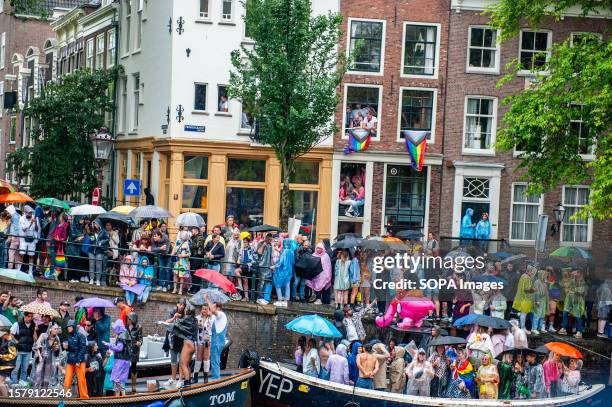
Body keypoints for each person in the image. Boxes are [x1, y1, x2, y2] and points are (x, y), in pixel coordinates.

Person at [162, 299, 187, 388]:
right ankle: (173, 379)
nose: (181, 306)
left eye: (183, 305)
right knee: (173, 360)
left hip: (181, 339)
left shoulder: (186, 313)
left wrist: (180, 318)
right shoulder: (173, 311)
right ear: (177, 304)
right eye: (180, 304)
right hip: (172, 338)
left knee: (181, 361)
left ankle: (180, 380)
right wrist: (174, 318)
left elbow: (186, 326)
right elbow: (167, 321)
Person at [172, 306, 197, 387]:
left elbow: (177, 324)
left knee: (183, 364)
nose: (184, 310)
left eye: (186, 310)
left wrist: (175, 317)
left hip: (187, 343)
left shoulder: (187, 318)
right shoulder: (194, 319)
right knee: (187, 365)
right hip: (193, 344)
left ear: (188, 311)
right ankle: (188, 382)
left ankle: (187, 384)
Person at [104, 319, 131, 395]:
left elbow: (119, 348)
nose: (114, 330)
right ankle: (122, 396)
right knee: (120, 379)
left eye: (115, 328)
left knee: (116, 378)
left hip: (120, 359)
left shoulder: (121, 336)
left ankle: (118, 397)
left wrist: (109, 344)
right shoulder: (126, 333)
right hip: (126, 359)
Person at [64, 319, 88, 398]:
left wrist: (79, 360)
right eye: (68, 327)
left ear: (73, 327)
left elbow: (83, 349)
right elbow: (70, 349)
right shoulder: (69, 336)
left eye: (70, 327)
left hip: (79, 361)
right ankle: (66, 396)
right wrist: (66, 348)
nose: (68, 328)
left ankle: (84, 397)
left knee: (81, 380)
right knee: (67, 379)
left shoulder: (81, 336)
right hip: (70, 360)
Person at [559, 270, 587, 339]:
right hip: (569, 299)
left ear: (579, 274)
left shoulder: (582, 282)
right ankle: (563, 328)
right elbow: (566, 287)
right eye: (573, 274)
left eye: (576, 273)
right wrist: (568, 289)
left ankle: (579, 331)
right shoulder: (571, 281)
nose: (574, 275)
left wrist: (573, 290)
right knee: (565, 312)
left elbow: (582, 291)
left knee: (577, 315)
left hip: (577, 301)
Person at [10, 312, 35, 385]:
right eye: (28, 316)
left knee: (25, 369)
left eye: (31, 317)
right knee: (16, 368)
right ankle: (14, 383)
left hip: (28, 350)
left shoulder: (33, 325)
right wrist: (16, 341)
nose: (30, 318)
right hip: (18, 350)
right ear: (24, 316)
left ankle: (22, 383)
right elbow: (11, 334)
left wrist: (35, 331)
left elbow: (34, 337)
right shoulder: (17, 324)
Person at [33, 323, 60, 388]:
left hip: (49, 359)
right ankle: (36, 393)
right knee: (38, 376)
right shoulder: (44, 335)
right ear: (50, 329)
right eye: (55, 329)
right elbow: (37, 346)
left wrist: (56, 349)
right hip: (41, 357)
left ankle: (44, 393)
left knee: (47, 377)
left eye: (57, 329)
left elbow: (57, 351)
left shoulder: (56, 338)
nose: (56, 330)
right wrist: (39, 356)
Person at [207, 294, 227, 381]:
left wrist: (207, 298)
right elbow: (210, 313)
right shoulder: (218, 317)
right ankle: (216, 376)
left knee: (214, 359)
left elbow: (213, 311)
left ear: (217, 307)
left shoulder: (221, 314)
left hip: (217, 341)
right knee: (215, 359)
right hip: (217, 340)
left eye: (214, 306)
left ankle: (216, 378)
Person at [273, 238, 297, 307]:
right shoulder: (291, 252)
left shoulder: (284, 251)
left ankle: (280, 300)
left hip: (282, 271)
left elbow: (280, 262)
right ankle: (286, 301)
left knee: (278, 285)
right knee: (287, 286)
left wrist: (274, 266)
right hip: (289, 271)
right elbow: (293, 262)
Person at [513, 265, 537, 334]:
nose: (533, 274)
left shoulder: (523, 276)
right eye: (532, 272)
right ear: (529, 271)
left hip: (521, 297)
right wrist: (534, 289)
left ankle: (522, 327)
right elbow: (526, 289)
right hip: (525, 298)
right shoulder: (527, 278)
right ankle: (522, 328)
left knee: (523, 313)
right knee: (524, 313)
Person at [194, 303, 214, 383]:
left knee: (206, 358)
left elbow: (211, 330)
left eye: (206, 309)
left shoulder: (211, 318)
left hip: (207, 339)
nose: (204, 310)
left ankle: (206, 376)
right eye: (203, 309)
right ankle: (195, 376)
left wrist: (211, 315)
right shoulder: (198, 318)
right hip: (199, 339)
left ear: (208, 310)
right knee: (198, 358)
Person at [88, 221, 109, 286]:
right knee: (91, 265)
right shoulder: (92, 231)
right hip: (92, 250)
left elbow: (107, 239)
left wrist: (101, 242)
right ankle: (91, 279)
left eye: (95, 223)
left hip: (99, 250)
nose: (94, 225)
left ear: (99, 224)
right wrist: (91, 233)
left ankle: (97, 280)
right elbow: (91, 240)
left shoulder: (103, 231)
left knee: (98, 266)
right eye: (93, 224)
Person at [256, 233, 274, 305]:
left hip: (267, 266)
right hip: (261, 265)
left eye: (270, 239)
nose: (270, 240)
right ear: (265, 238)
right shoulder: (261, 243)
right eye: (268, 238)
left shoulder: (270, 245)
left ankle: (263, 297)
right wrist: (263, 245)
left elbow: (270, 256)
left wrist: (272, 265)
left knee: (266, 282)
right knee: (261, 282)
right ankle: (259, 298)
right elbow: (259, 253)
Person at [126, 313, 142, 393]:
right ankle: (123, 386)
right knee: (124, 366)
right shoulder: (125, 327)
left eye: (129, 319)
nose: (127, 320)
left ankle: (133, 386)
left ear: (133, 319)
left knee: (133, 368)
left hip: (135, 350)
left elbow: (141, 339)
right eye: (127, 318)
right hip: (126, 349)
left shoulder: (139, 327)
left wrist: (139, 343)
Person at [172, 231, 191, 295]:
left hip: (184, 262)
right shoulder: (178, 242)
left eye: (182, 234)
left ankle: (180, 290)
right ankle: (175, 288)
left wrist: (183, 255)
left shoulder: (188, 243)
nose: (180, 235)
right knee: (175, 274)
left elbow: (189, 253)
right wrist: (172, 254)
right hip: (177, 261)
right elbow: (174, 250)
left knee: (182, 276)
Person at [0, 323, 17, 396]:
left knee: (0, 383)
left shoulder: (11, 342)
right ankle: (8, 396)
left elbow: (12, 355)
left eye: (3, 334)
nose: (2, 335)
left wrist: (1, 356)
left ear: (7, 334)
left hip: (8, 365)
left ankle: (7, 399)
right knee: (2, 382)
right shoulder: (5, 340)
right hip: (4, 364)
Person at [531, 269, 549, 335]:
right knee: (537, 315)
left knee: (542, 315)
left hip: (543, 300)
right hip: (538, 300)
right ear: (541, 275)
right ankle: (534, 328)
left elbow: (546, 293)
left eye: (546, 275)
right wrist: (536, 301)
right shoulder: (537, 282)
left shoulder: (544, 283)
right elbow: (535, 292)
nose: (546, 276)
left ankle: (540, 327)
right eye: (544, 275)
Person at [596, 271, 612, 338]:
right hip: (607, 303)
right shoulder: (608, 284)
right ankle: (601, 333)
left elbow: (597, 292)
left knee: (601, 318)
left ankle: (600, 332)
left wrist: (599, 299)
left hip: (601, 302)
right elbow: (608, 294)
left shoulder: (603, 284)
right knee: (604, 318)